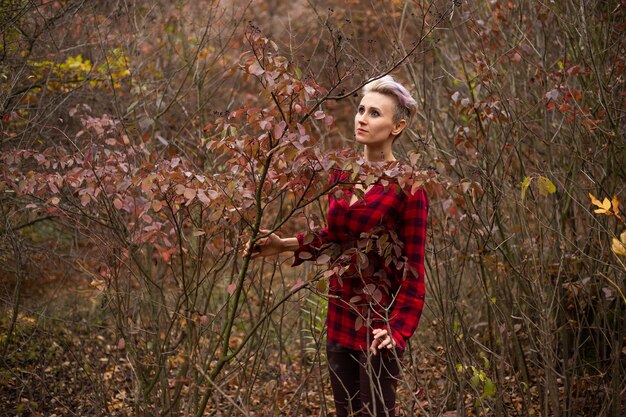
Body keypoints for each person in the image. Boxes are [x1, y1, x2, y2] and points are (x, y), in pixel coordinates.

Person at [244, 75, 428, 417]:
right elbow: (337, 239)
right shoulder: (341, 174)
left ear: (397, 126)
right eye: (361, 110)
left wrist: (397, 329)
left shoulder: (409, 187)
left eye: (375, 113)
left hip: (379, 324)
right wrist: (284, 244)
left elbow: (415, 271)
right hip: (341, 313)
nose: (362, 118)